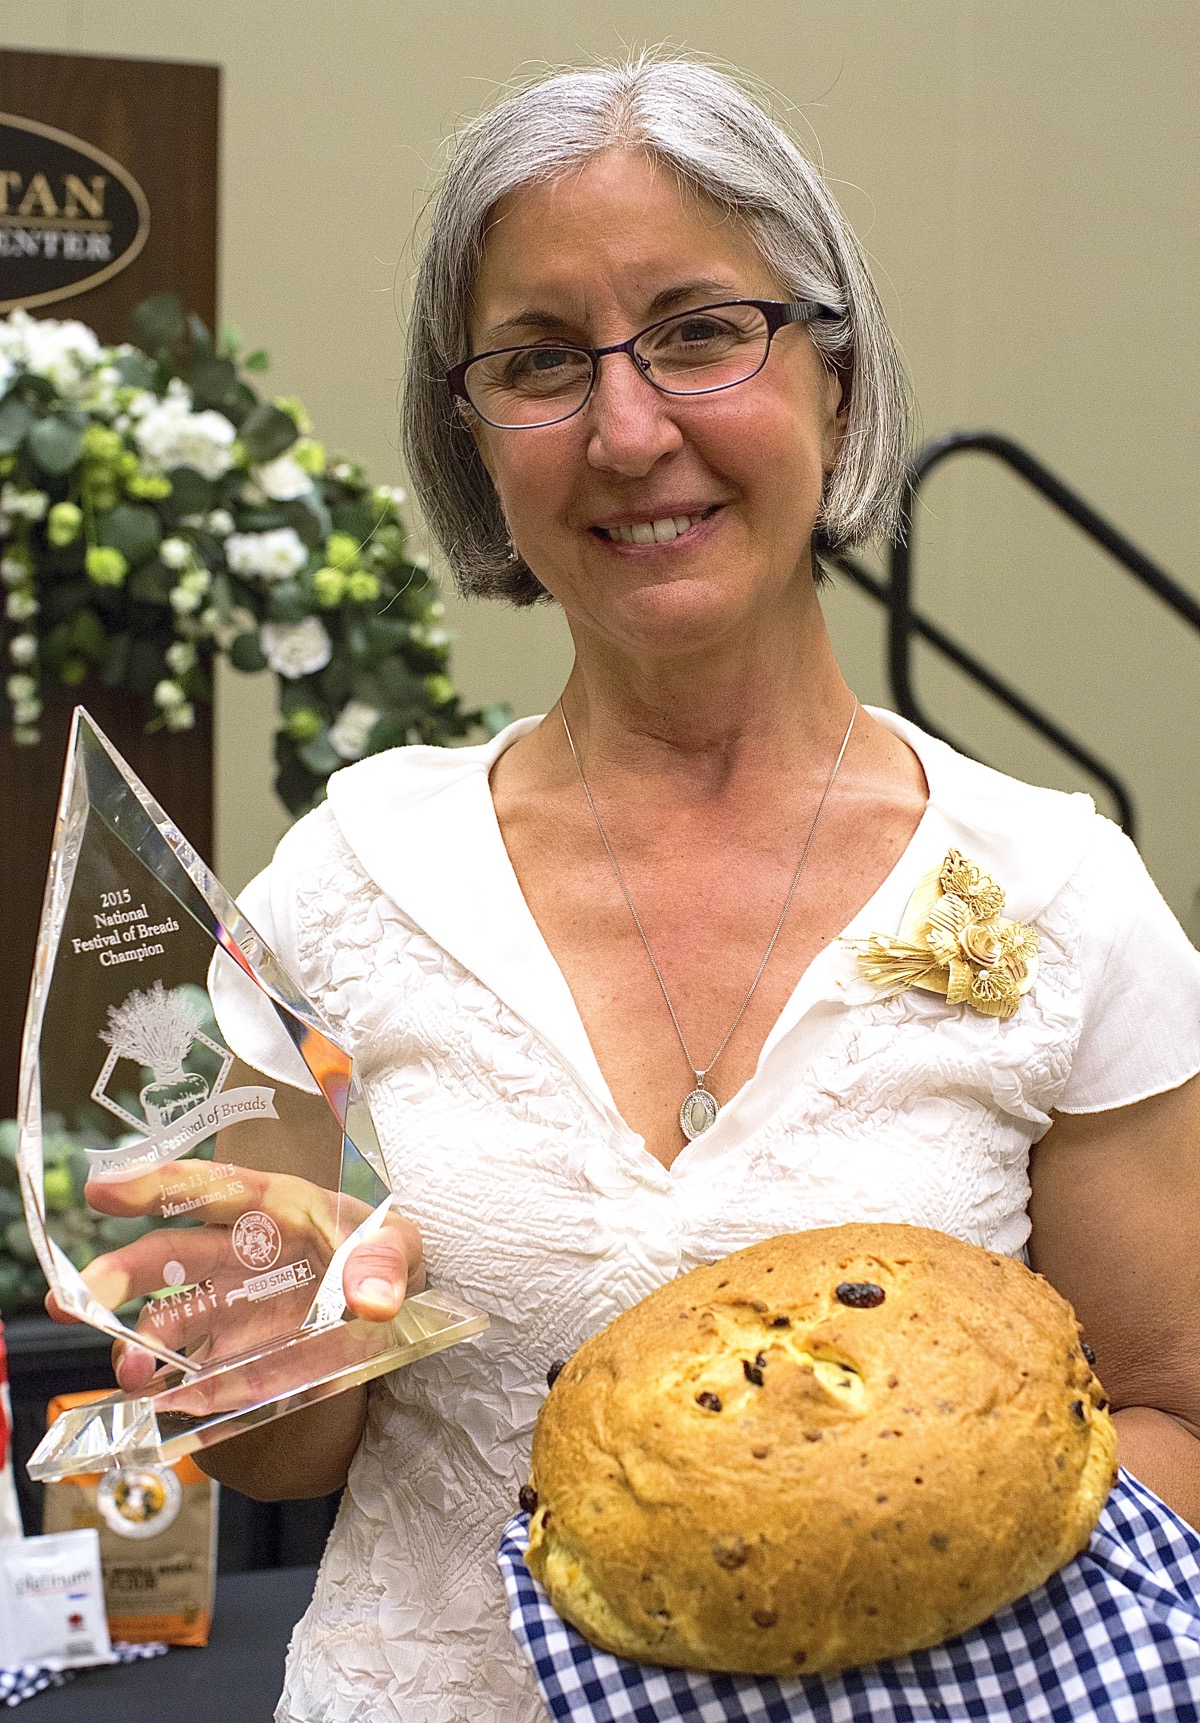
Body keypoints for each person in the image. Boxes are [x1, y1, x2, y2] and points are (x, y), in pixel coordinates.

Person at [87, 57, 1200, 1723]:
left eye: (698, 331)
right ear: (471, 435)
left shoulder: (1053, 888)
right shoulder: (350, 880)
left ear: (833, 375)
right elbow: (294, 1449)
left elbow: (1169, 1404)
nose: (626, 430)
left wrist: (896, 1604)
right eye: (539, 362)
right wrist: (242, 1329)